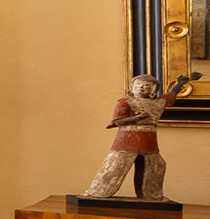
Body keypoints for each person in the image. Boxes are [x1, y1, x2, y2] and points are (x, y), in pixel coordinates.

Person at [84, 72, 203, 200]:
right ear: (132, 87)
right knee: (115, 166)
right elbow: (117, 122)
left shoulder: (158, 102)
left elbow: (171, 96)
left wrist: (179, 84)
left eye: (146, 85)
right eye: (138, 85)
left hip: (149, 141)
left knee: (156, 165)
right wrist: (136, 118)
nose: (141, 87)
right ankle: (98, 192)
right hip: (127, 140)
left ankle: (152, 195)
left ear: (153, 89)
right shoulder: (126, 102)